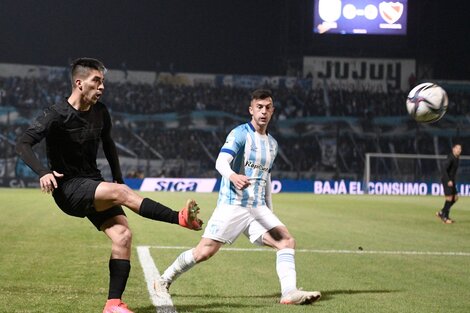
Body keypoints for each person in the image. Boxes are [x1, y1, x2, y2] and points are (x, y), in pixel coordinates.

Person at [15, 57, 203, 313]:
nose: (102, 87)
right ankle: (179, 218)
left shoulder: (100, 111)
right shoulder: (55, 114)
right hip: (68, 188)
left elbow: (109, 143)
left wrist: (118, 177)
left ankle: (113, 303)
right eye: (97, 81)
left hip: (93, 183)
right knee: (122, 195)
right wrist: (43, 172)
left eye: (103, 82)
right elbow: (23, 143)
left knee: (123, 236)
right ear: (79, 83)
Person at [156, 89, 321, 305]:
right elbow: (220, 162)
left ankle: (289, 292)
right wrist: (233, 176)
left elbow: (266, 180)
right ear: (251, 110)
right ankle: (163, 280)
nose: (263, 112)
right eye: (259, 107)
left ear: (273, 111)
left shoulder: (272, 144)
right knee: (204, 252)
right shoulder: (240, 134)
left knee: (286, 241)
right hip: (233, 205)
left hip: (258, 208)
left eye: (267, 107)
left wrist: (269, 210)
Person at [436, 143, 462, 224]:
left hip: (452, 180)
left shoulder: (457, 158)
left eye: (460, 149)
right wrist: (448, 180)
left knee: (455, 198)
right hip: (447, 180)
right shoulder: (450, 158)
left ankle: (442, 212)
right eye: (457, 148)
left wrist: (452, 180)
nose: (459, 150)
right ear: (453, 149)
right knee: (449, 198)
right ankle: (445, 217)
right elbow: (444, 169)